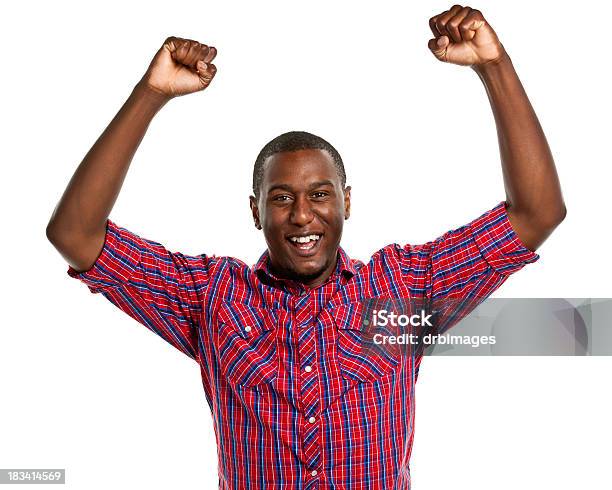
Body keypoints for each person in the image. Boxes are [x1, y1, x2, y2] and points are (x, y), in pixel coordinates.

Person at [46, 5, 566, 489]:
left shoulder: (401, 288)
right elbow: (74, 235)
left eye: (320, 195)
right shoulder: (211, 298)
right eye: (281, 198)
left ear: (346, 202)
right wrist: (150, 94)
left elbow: (536, 214)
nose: (301, 215)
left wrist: (494, 67)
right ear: (255, 211)